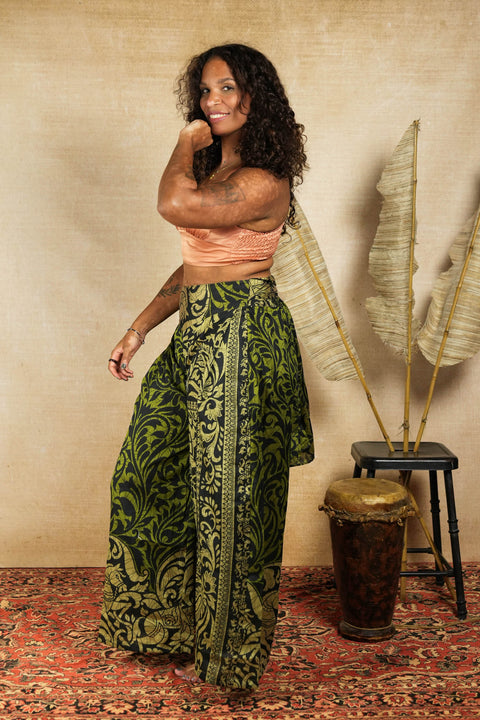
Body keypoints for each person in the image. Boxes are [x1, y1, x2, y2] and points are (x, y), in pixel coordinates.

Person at [99, 43, 314, 691]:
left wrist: (185, 140)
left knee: (232, 502)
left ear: (256, 97)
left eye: (227, 88)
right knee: (148, 470)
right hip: (198, 329)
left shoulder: (262, 181)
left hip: (244, 332)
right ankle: (166, 625)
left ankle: (230, 661)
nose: (212, 101)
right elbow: (197, 261)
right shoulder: (221, 174)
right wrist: (139, 328)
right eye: (204, 90)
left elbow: (175, 206)